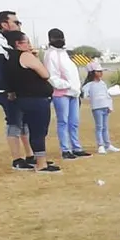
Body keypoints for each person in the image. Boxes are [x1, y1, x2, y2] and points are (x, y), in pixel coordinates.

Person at [2, 31, 59, 172]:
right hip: (36, 99)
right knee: (39, 130)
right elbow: (45, 74)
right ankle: (41, 164)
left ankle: (40, 160)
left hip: (23, 99)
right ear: (18, 44)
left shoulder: (10, 59)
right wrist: (35, 57)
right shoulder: (25, 56)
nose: (29, 45)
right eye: (27, 42)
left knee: (34, 130)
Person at [0, 10, 31, 170]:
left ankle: (30, 156)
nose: (19, 25)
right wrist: (8, 90)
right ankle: (17, 159)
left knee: (24, 123)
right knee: (14, 123)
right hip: (7, 92)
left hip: (18, 91)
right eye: (16, 22)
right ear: (4, 24)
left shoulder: (10, 41)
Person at [43, 28, 88, 160]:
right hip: (61, 93)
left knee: (74, 122)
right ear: (50, 39)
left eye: (61, 38)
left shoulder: (64, 53)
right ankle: (65, 149)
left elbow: (71, 73)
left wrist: (76, 88)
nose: (61, 41)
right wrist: (67, 85)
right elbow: (51, 76)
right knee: (63, 121)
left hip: (73, 93)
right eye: (57, 38)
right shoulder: (50, 54)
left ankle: (76, 147)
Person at [82, 61, 119, 154]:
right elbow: (84, 94)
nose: (101, 73)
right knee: (99, 127)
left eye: (101, 71)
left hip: (105, 107)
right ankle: (100, 145)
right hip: (97, 108)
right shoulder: (89, 85)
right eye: (98, 71)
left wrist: (110, 106)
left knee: (105, 127)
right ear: (93, 73)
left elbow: (107, 95)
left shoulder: (103, 83)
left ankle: (107, 144)